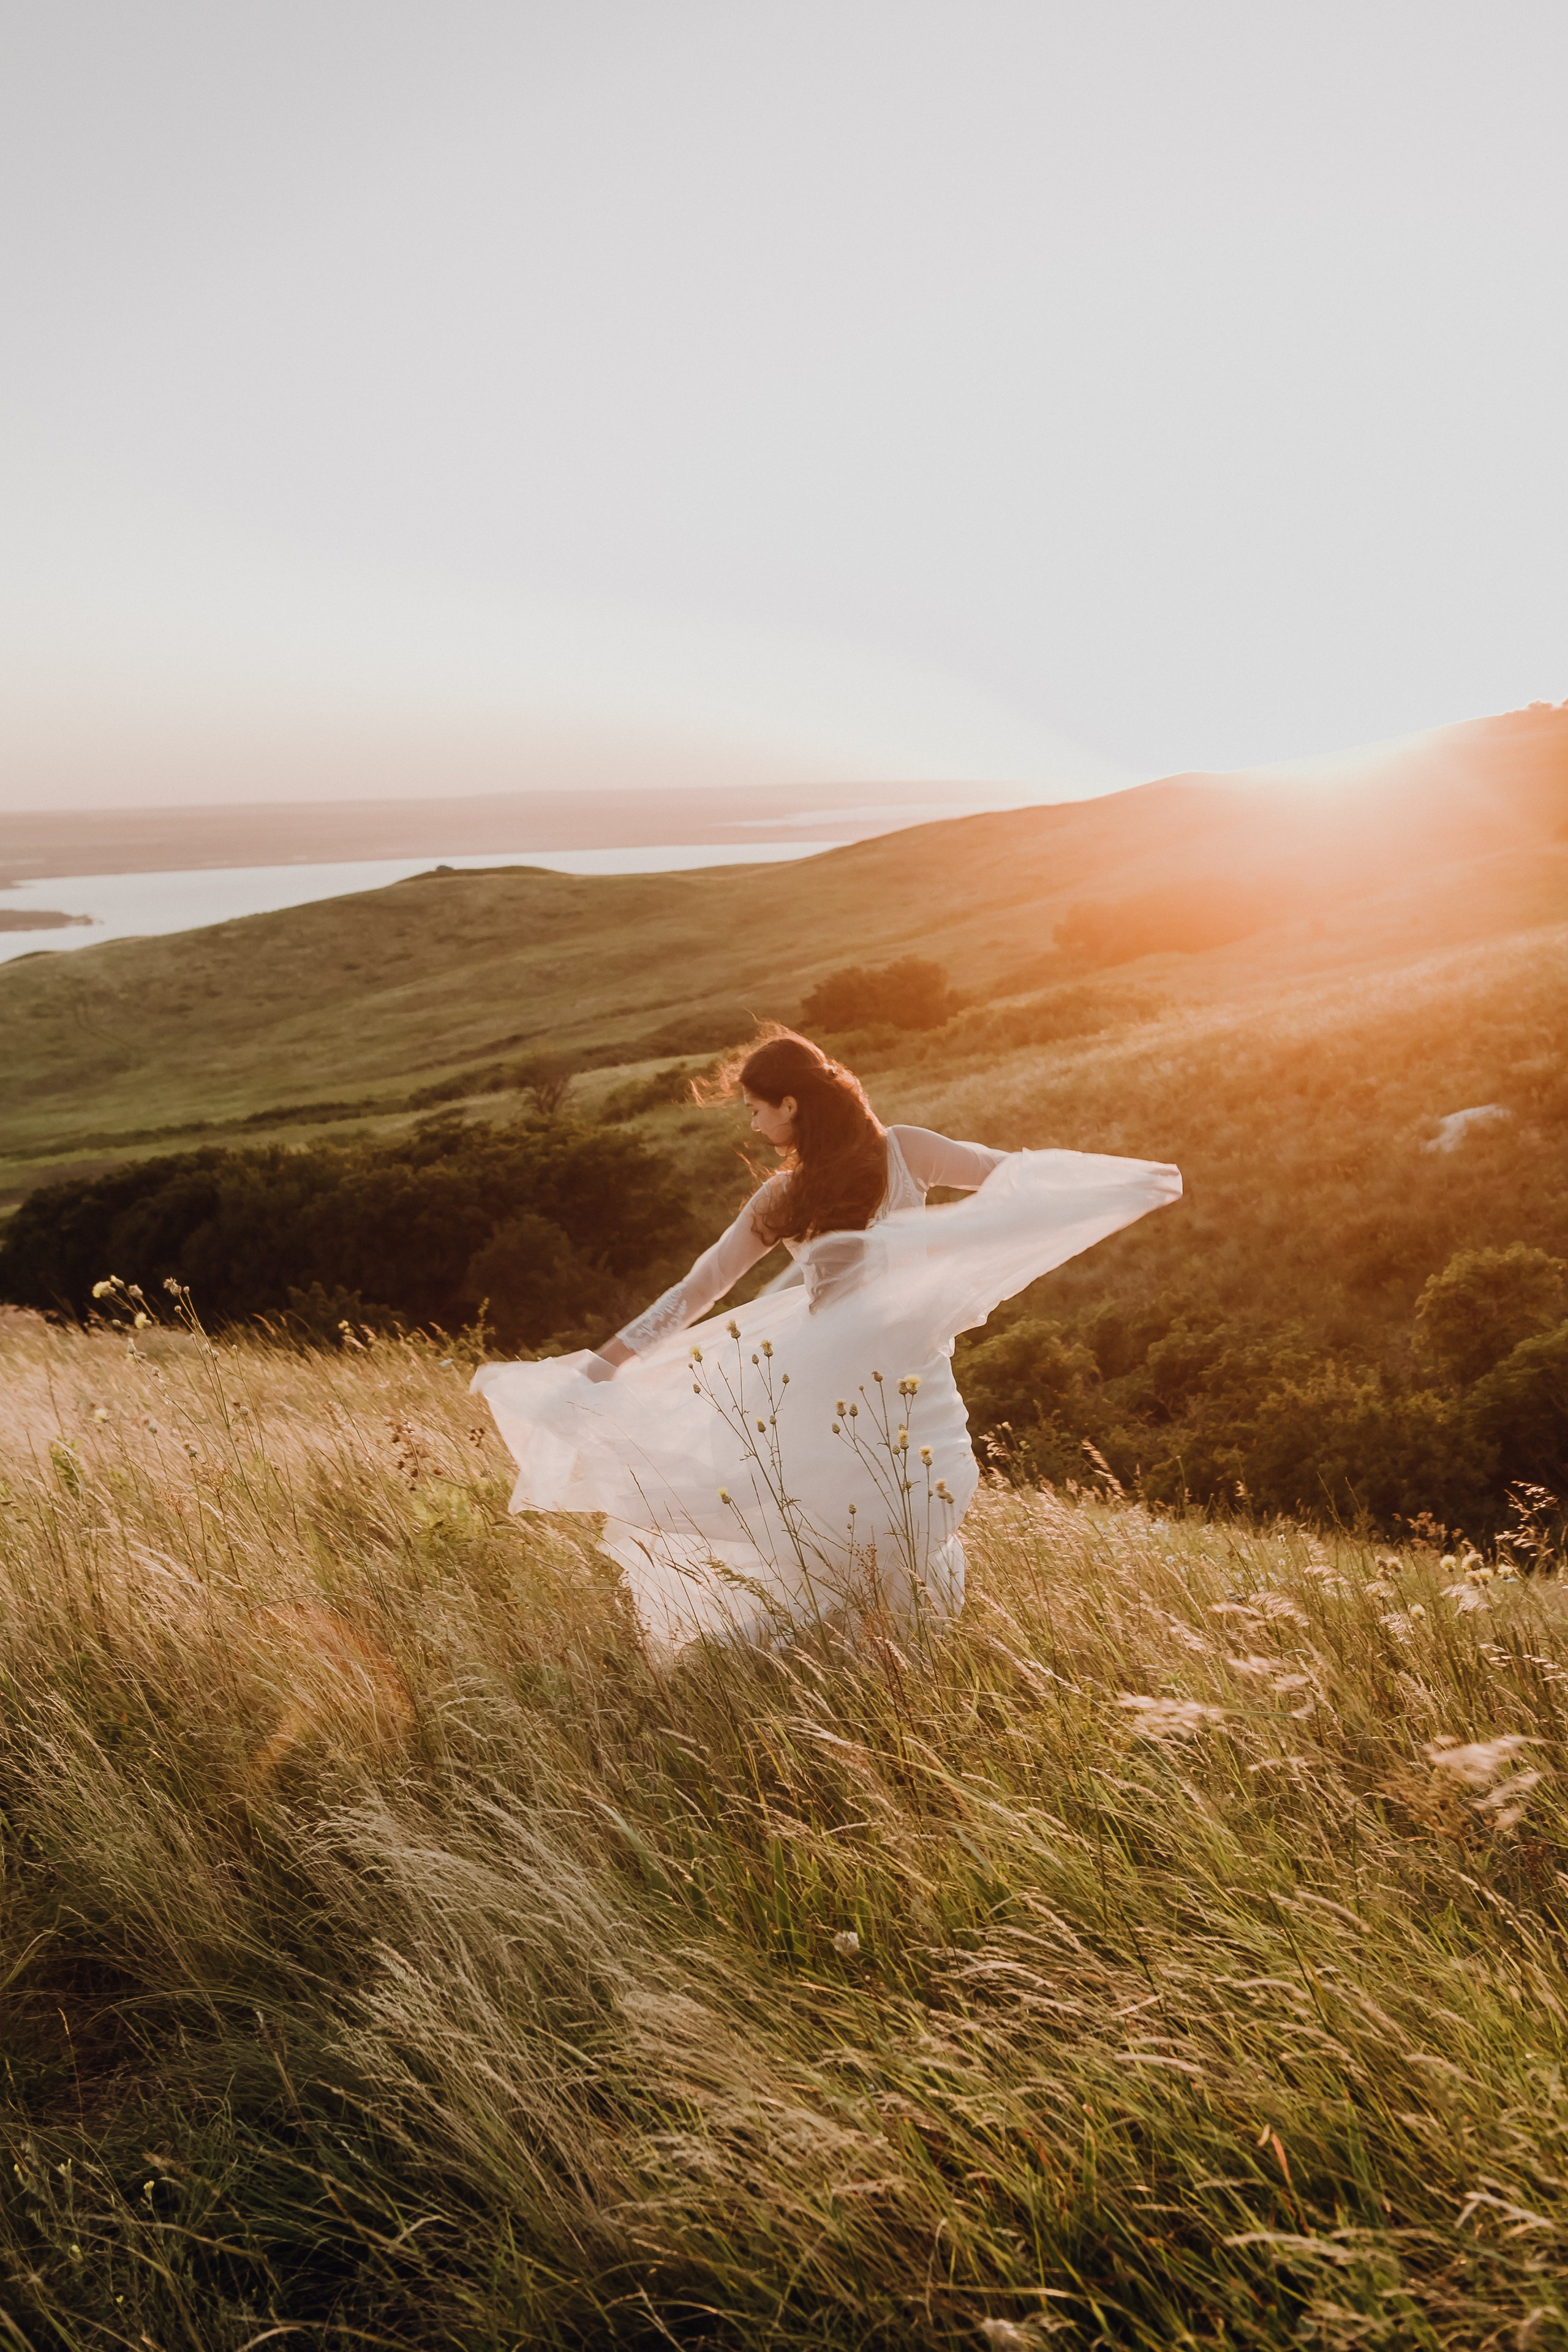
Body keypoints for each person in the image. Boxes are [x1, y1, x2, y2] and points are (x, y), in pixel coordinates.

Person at [473, 1028, 1180, 1649]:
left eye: (755, 1107)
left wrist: (1117, 1186)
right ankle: (822, 1661)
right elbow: (696, 1291)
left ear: (792, 1104)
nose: (751, 1124)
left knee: (902, 1519)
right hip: (842, 1386)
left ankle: (881, 1663)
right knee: (864, 1531)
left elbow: (1011, 1179)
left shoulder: (900, 1153)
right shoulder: (792, 1192)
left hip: (906, 1376)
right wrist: (602, 1367)